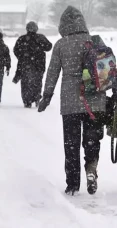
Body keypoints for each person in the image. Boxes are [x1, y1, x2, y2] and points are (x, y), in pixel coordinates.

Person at [38, 6, 105, 196]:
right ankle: (91, 169)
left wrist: (46, 97)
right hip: (95, 101)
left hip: (70, 103)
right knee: (92, 140)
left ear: (63, 25)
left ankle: (73, 184)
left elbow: (52, 73)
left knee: (72, 144)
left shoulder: (61, 44)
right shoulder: (94, 41)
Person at [13, 21, 52, 108]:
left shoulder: (22, 39)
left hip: (25, 65)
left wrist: (22, 57)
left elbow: (16, 50)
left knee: (25, 84)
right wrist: (40, 47)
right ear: (36, 29)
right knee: (37, 83)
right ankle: (37, 98)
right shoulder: (40, 37)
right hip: (39, 66)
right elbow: (49, 47)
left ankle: (27, 101)